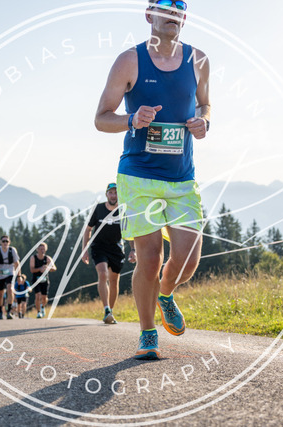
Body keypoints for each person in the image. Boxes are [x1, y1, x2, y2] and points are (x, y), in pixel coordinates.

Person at [94, 0, 210, 359]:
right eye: (164, 7)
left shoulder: (199, 60)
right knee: (148, 258)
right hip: (139, 176)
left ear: (184, 18)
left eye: (179, 9)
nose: (172, 14)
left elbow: (205, 104)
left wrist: (204, 121)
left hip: (181, 178)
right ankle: (147, 333)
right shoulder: (129, 61)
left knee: (187, 260)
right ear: (149, 15)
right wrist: (131, 119)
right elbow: (101, 118)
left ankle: (166, 294)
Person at [82, 182, 136, 324]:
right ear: (106, 194)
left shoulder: (123, 211)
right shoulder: (98, 209)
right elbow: (88, 230)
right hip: (99, 247)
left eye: (116, 193)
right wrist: (84, 250)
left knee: (114, 280)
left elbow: (130, 233)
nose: (113, 195)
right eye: (111, 193)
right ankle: (106, 309)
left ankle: (110, 312)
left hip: (116, 249)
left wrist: (133, 250)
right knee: (103, 274)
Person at [0, 236, 20, 320]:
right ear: (0, 242)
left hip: (10, 273)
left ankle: (9, 311)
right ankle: (0, 312)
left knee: (10, 289)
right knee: (0, 294)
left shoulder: (12, 250)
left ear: (9, 242)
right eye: (3, 241)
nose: (5, 243)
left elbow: (17, 263)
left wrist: (19, 276)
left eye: (7, 241)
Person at [29, 242, 57, 318]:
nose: (42, 250)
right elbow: (32, 270)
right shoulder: (33, 258)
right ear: (37, 249)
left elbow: (54, 268)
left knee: (44, 297)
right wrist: (40, 269)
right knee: (38, 295)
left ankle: (43, 307)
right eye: (40, 249)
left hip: (45, 280)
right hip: (36, 279)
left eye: (43, 249)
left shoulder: (47, 258)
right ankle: (38, 312)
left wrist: (48, 268)